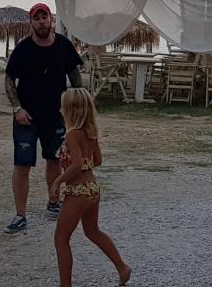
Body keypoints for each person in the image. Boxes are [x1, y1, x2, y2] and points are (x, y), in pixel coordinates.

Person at [3, 2, 83, 234]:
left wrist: (75, 107)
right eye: (36, 18)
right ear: (31, 22)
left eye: (44, 17)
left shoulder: (64, 46)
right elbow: (9, 79)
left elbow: (76, 78)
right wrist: (17, 108)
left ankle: (53, 203)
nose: (41, 22)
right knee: (22, 164)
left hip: (55, 117)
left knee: (54, 160)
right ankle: (20, 215)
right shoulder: (23, 49)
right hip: (26, 118)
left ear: (51, 20)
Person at [52, 88, 132, 287]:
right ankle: (122, 267)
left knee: (61, 239)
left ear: (70, 110)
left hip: (77, 192)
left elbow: (76, 165)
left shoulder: (72, 134)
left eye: (63, 107)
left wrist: (58, 181)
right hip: (92, 188)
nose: (60, 110)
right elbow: (98, 160)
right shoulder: (90, 133)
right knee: (93, 231)